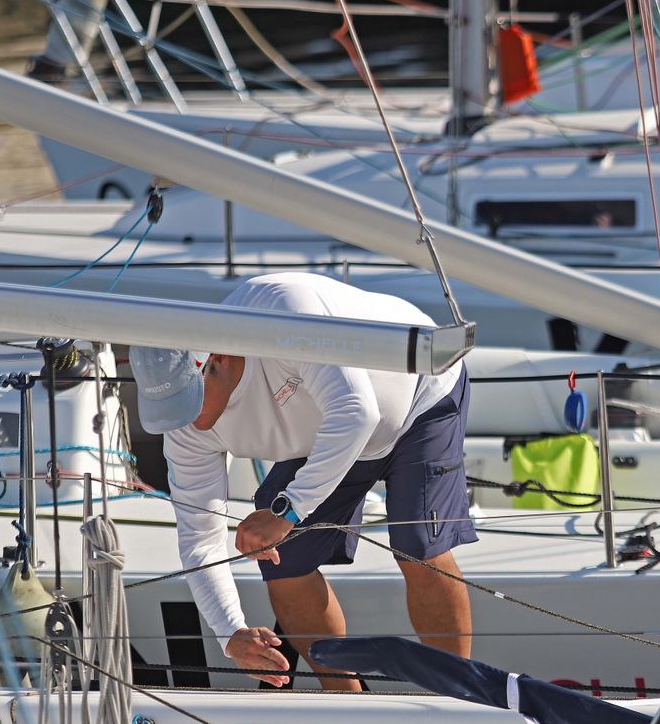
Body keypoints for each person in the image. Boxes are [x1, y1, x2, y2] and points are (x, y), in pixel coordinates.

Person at [131, 272, 475, 690]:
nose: (186, 422)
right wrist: (231, 635)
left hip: (421, 390)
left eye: (188, 402)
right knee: (286, 560)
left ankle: (459, 698)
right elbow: (199, 539)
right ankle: (347, 702)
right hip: (331, 433)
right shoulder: (184, 428)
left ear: (217, 361)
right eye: (168, 410)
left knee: (418, 543)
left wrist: (287, 512)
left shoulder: (285, 313)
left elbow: (356, 411)